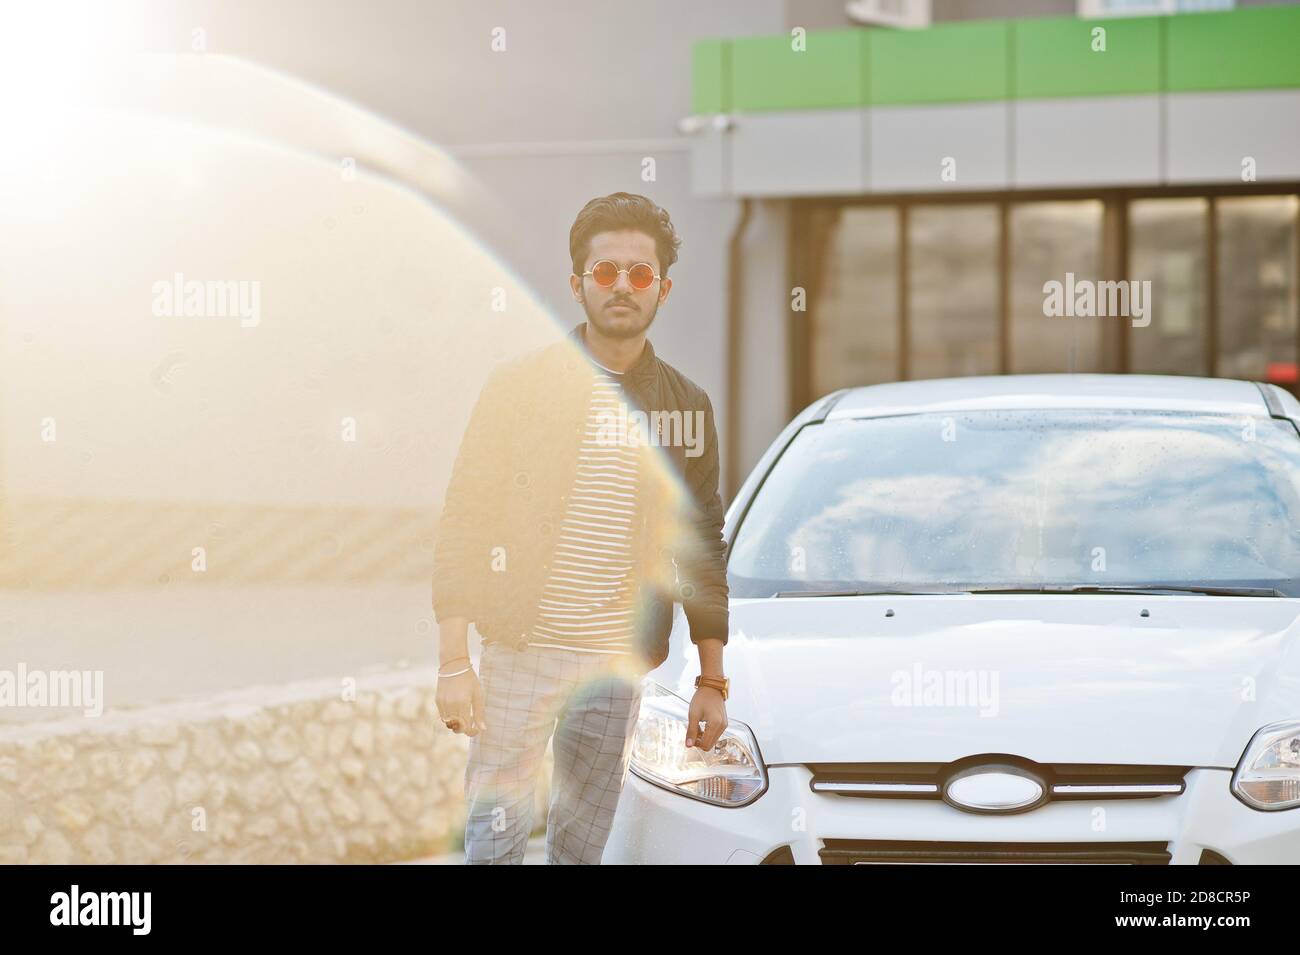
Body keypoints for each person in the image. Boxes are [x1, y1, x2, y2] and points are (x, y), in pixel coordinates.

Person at [432, 192, 731, 864]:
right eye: (605, 272)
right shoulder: (519, 389)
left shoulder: (685, 406)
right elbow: (466, 520)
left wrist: (712, 679)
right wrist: (455, 659)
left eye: (639, 273)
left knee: (581, 850)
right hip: (519, 651)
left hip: (614, 669)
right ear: (577, 284)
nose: (622, 285)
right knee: (494, 845)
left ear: (663, 287)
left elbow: (701, 543)